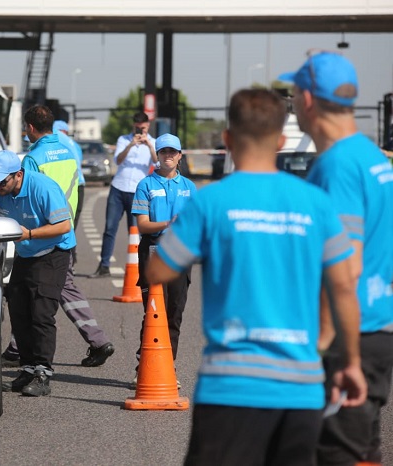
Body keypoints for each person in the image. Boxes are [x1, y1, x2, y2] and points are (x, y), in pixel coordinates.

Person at [145, 89, 367, 464]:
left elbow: (159, 269)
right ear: (281, 140)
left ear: (228, 140)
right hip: (301, 387)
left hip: (229, 387)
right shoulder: (316, 204)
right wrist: (348, 361)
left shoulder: (211, 200)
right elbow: (344, 286)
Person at [279, 51, 393, 465]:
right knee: (361, 453)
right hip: (375, 329)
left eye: (293, 93)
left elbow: (344, 269)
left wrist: (325, 347)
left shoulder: (336, 166)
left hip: (349, 339)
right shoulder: (371, 156)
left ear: (307, 99)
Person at [20, 105, 115, 367]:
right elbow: (75, 189)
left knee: (32, 292)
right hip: (64, 227)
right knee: (58, 288)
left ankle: (96, 341)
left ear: (29, 127)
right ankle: (96, 340)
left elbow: (29, 200)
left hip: (42, 235)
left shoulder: (33, 159)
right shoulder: (68, 151)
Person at [0, 149, 74, 397]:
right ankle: (28, 368)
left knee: (41, 312)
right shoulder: (1, 194)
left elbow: (64, 226)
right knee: (19, 310)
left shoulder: (43, 188)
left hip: (53, 252)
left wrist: (30, 234)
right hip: (26, 253)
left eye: (1, 181)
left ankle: (43, 373)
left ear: (18, 175)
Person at [131, 133, 197, 387]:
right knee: (153, 312)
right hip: (154, 251)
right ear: (157, 155)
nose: (168, 155)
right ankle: (144, 365)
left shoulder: (189, 187)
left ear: (180, 155)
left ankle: (168, 366)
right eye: (163, 151)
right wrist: (169, 224)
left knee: (175, 313)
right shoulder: (145, 185)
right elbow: (143, 225)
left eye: (173, 151)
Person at [88, 111, 157, 278]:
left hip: (137, 192)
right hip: (118, 188)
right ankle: (104, 266)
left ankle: (140, 268)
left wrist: (149, 145)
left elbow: (157, 162)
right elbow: (117, 160)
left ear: (147, 126)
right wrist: (131, 145)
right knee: (110, 228)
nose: (140, 131)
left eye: (143, 127)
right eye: (137, 127)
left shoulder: (153, 143)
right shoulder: (123, 140)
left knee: (135, 231)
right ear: (133, 126)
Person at [53, 119, 86, 267]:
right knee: (71, 223)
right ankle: (72, 257)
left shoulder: (54, 138)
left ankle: (66, 259)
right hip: (78, 184)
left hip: (64, 184)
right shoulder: (74, 144)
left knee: (59, 222)